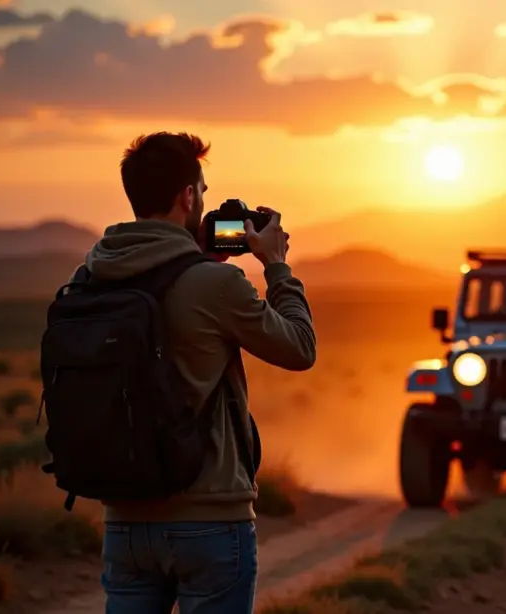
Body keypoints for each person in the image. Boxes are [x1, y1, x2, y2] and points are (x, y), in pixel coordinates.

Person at [83, 133, 316, 613]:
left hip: (124, 518)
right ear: (188, 196)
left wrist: (202, 262)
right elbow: (299, 347)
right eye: (203, 191)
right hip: (208, 518)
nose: (203, 201)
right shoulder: (215, 284)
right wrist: (277, 266)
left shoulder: (90, 275)